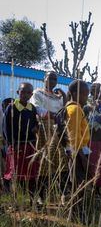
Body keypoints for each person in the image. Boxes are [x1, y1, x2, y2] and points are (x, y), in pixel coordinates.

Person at [31, 71, 67, 205]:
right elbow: (36, 109)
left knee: (61, 161)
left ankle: (63, 194)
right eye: (49, 78)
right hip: (44, 130)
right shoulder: (37, 93)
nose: (52, 80)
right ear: (44, 79)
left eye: (54, 78)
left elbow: (64, 111)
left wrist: (64, 95)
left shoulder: (59, 97)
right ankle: (41, 195)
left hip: (58, 130)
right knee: (44, 162)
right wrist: (54, 115)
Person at [3, 82, 39, 206]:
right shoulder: (11, 107)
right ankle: (13, 201)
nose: (26, 94)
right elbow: (6, 128)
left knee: (31, 174)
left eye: (29, 92)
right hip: (17, 146)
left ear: (31, 94)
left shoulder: (32, 108)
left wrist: (35, 128)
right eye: (23, 91)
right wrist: (12, 144)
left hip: (30, 145)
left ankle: (32, 200)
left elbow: (35, 123)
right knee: (15, 174)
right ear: (18, 92)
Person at [64, 80, 90, 209]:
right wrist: (82, 157)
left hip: (78, 151)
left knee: (77, 182)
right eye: (85, 94)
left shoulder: (73, 107)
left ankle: (78, 210)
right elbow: (74, 138)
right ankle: (79, 212)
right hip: (77, 153)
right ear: (75, 93)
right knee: (79, 183)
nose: (87, 97)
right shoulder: (74, 109)